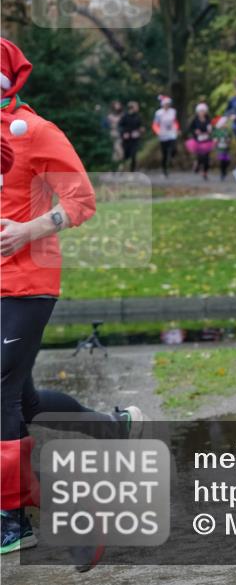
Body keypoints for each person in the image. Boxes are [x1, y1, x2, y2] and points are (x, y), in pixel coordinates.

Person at [0, 38, 144, 558]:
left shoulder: (36, 131)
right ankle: (110, 427)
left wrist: (27, 230)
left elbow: (82, 200)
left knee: (1, 398)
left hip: (27, 283)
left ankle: (14, 518)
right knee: (25, 402)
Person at [151, 94, 179, 177]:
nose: (167, 106)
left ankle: (171, 160)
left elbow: (175, 122)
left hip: (171, 133)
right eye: (165, 104)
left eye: (168, 104)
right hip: (163, 134)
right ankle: (164, 170)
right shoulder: (158, 113)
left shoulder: (173, 111)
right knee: (164, 153)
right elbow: (155, 124)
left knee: (174, 149)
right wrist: (158, 131)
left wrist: (176, 129)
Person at [187, 102, 214, 181]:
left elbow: (212, 128)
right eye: (200, 111)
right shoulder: (195, 120)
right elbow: (190, 129)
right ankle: (197, 164)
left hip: (207, 141)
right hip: (198, 141)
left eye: (203, 111)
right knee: (200, 157)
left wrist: (210, 131)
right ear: (198, 112)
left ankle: (205, 172)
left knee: (206, 158)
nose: (202, 113)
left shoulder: (208, 120)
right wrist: (195, 131)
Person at [118, 101, 144, 173]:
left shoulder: (138, 116)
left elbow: (141, 126)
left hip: (135, 139)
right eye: (136, 106)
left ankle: (132, 171)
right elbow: (120, 126)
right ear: (132, 108)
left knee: (133, 155)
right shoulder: (124, 116)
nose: (138, 108)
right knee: (125, 155)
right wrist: (124, 133)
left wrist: (140, 131)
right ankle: (122, 168)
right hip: (126, 140)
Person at [105, 100, 124, 171]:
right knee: (119, 151)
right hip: (114, 134)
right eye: (116, 105)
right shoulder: (110, 115)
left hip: (120, 134)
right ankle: (119, 166)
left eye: (119, 105)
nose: (118, 106)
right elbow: (108, 123)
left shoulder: (122, 115)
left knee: (116, 153)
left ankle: (115, 168)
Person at [211, 115, 232, 181]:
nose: (226, 124)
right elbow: (214, 138)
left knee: (227, 161)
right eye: (224, 123)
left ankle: (225, 171)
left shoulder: (227, 131)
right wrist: (216, 140)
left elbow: (230, 138)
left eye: (226, 123)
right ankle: (222, 173)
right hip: (220, 148)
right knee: (222, 161)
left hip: (226, 148)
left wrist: (228, 141)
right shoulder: (217, 131)